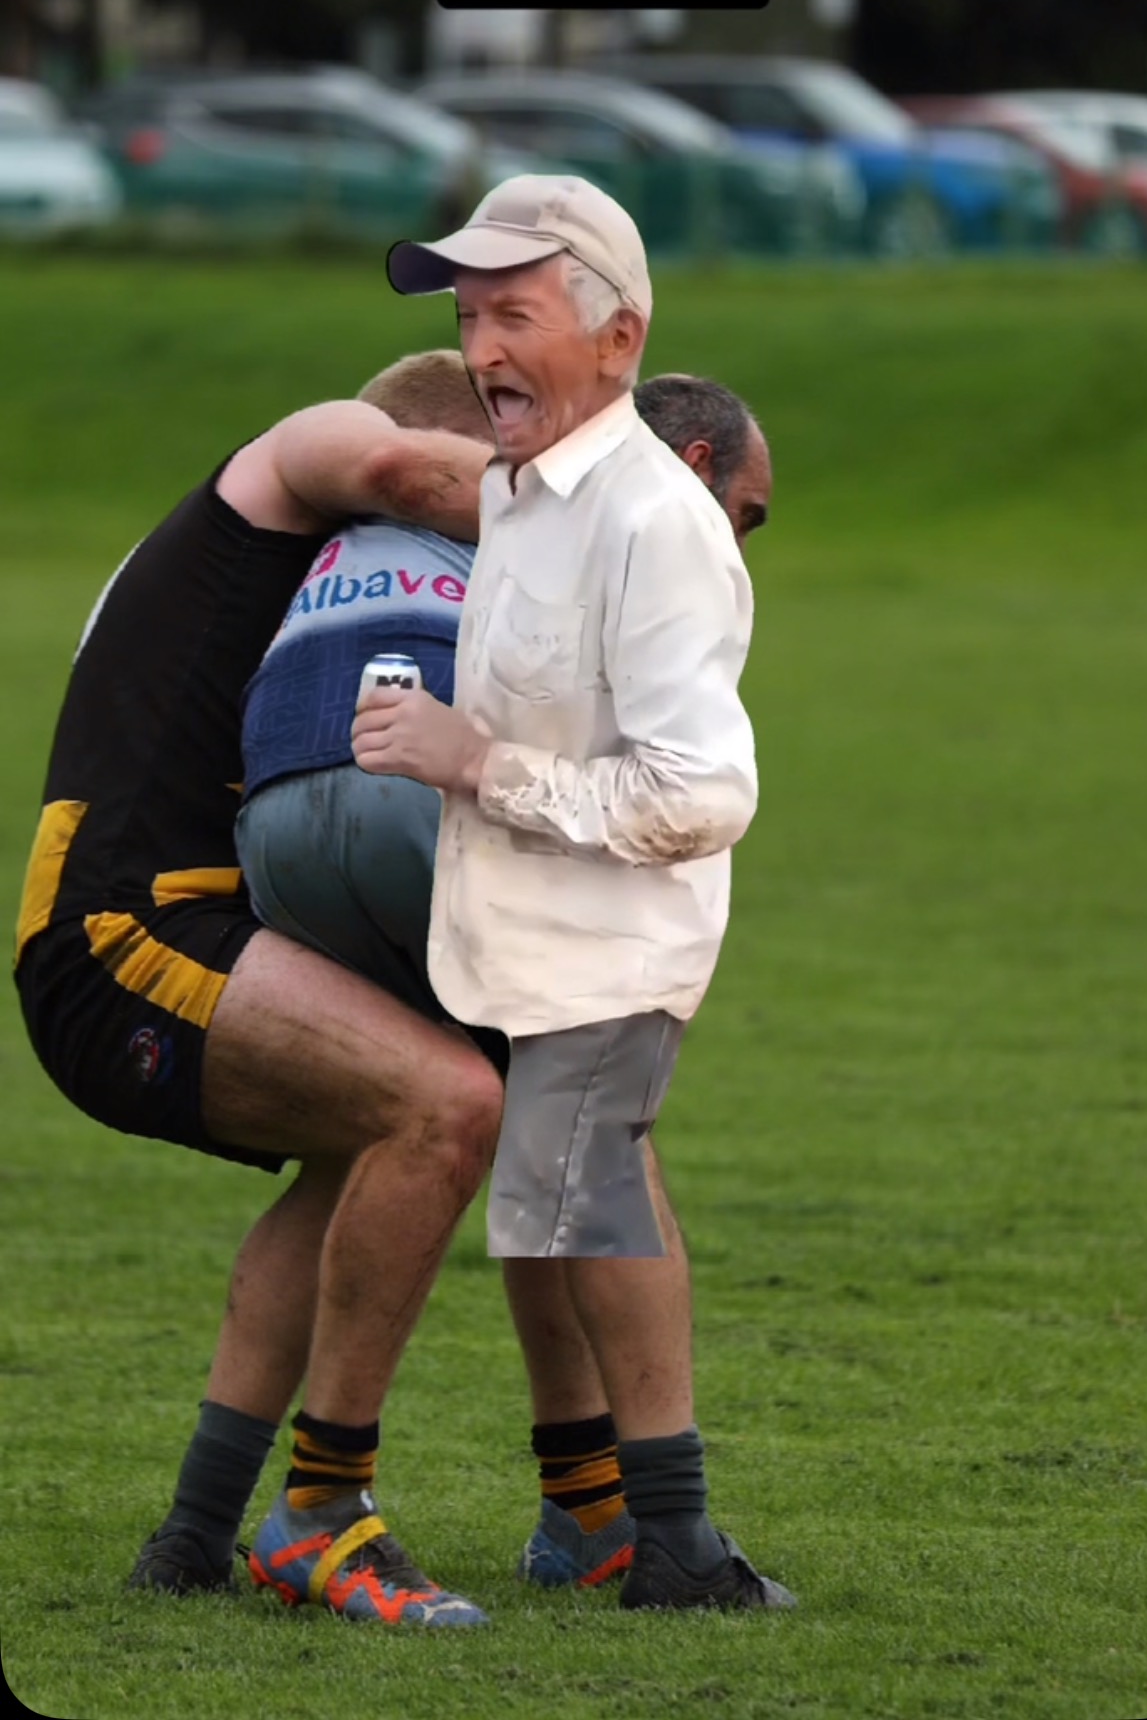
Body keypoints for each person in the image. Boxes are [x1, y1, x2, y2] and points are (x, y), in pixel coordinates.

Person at [233, 351, 773, 1599]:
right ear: (690, 470)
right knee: (592, 1125)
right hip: (422, 800)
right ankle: (649, 1527)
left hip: (274, 823)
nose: (742, 548)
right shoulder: (605, 518)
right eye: (744, 517)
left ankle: (202, 1515)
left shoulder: (318, 541)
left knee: (410, 1127)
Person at [356, 172, 795, 1611]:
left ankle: (669, 1538)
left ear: (619, 340)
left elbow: (698, 795)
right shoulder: (519, 498)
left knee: (586, 1189)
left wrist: (476, 765)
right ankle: (602, 1524)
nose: (481, 348)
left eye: (515, 315)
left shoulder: (654, 522)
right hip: (512, 942)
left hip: (608, 945)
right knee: (543, 1209)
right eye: (470, 317)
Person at [11, 391, 512, 1628]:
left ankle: (194, 1532)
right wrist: (614, 502)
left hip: (158, 922)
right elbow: (394, 454)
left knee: (365, 1149)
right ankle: (324, 1513)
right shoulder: (300, 458)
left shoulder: (284, 574)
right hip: (123, 927)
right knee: (447, 1106)